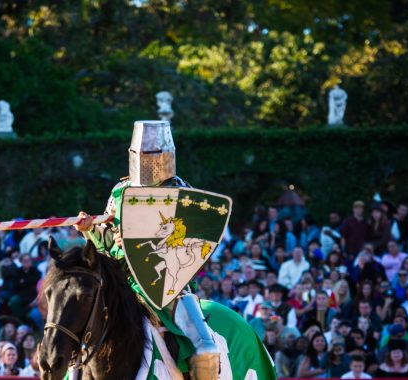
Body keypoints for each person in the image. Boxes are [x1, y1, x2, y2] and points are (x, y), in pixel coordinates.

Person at [74, 120, 274, 380]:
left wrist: (137, 243)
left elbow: (192, 243)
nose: (148, 161)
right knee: (75, 338)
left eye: (154, 154)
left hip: (167, 288)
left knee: (206, 349)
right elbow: (108, 246)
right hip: (123, 285)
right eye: (142, 155)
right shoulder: (120, 192)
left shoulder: (181, 193)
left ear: (168, 154)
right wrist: (91, 230)